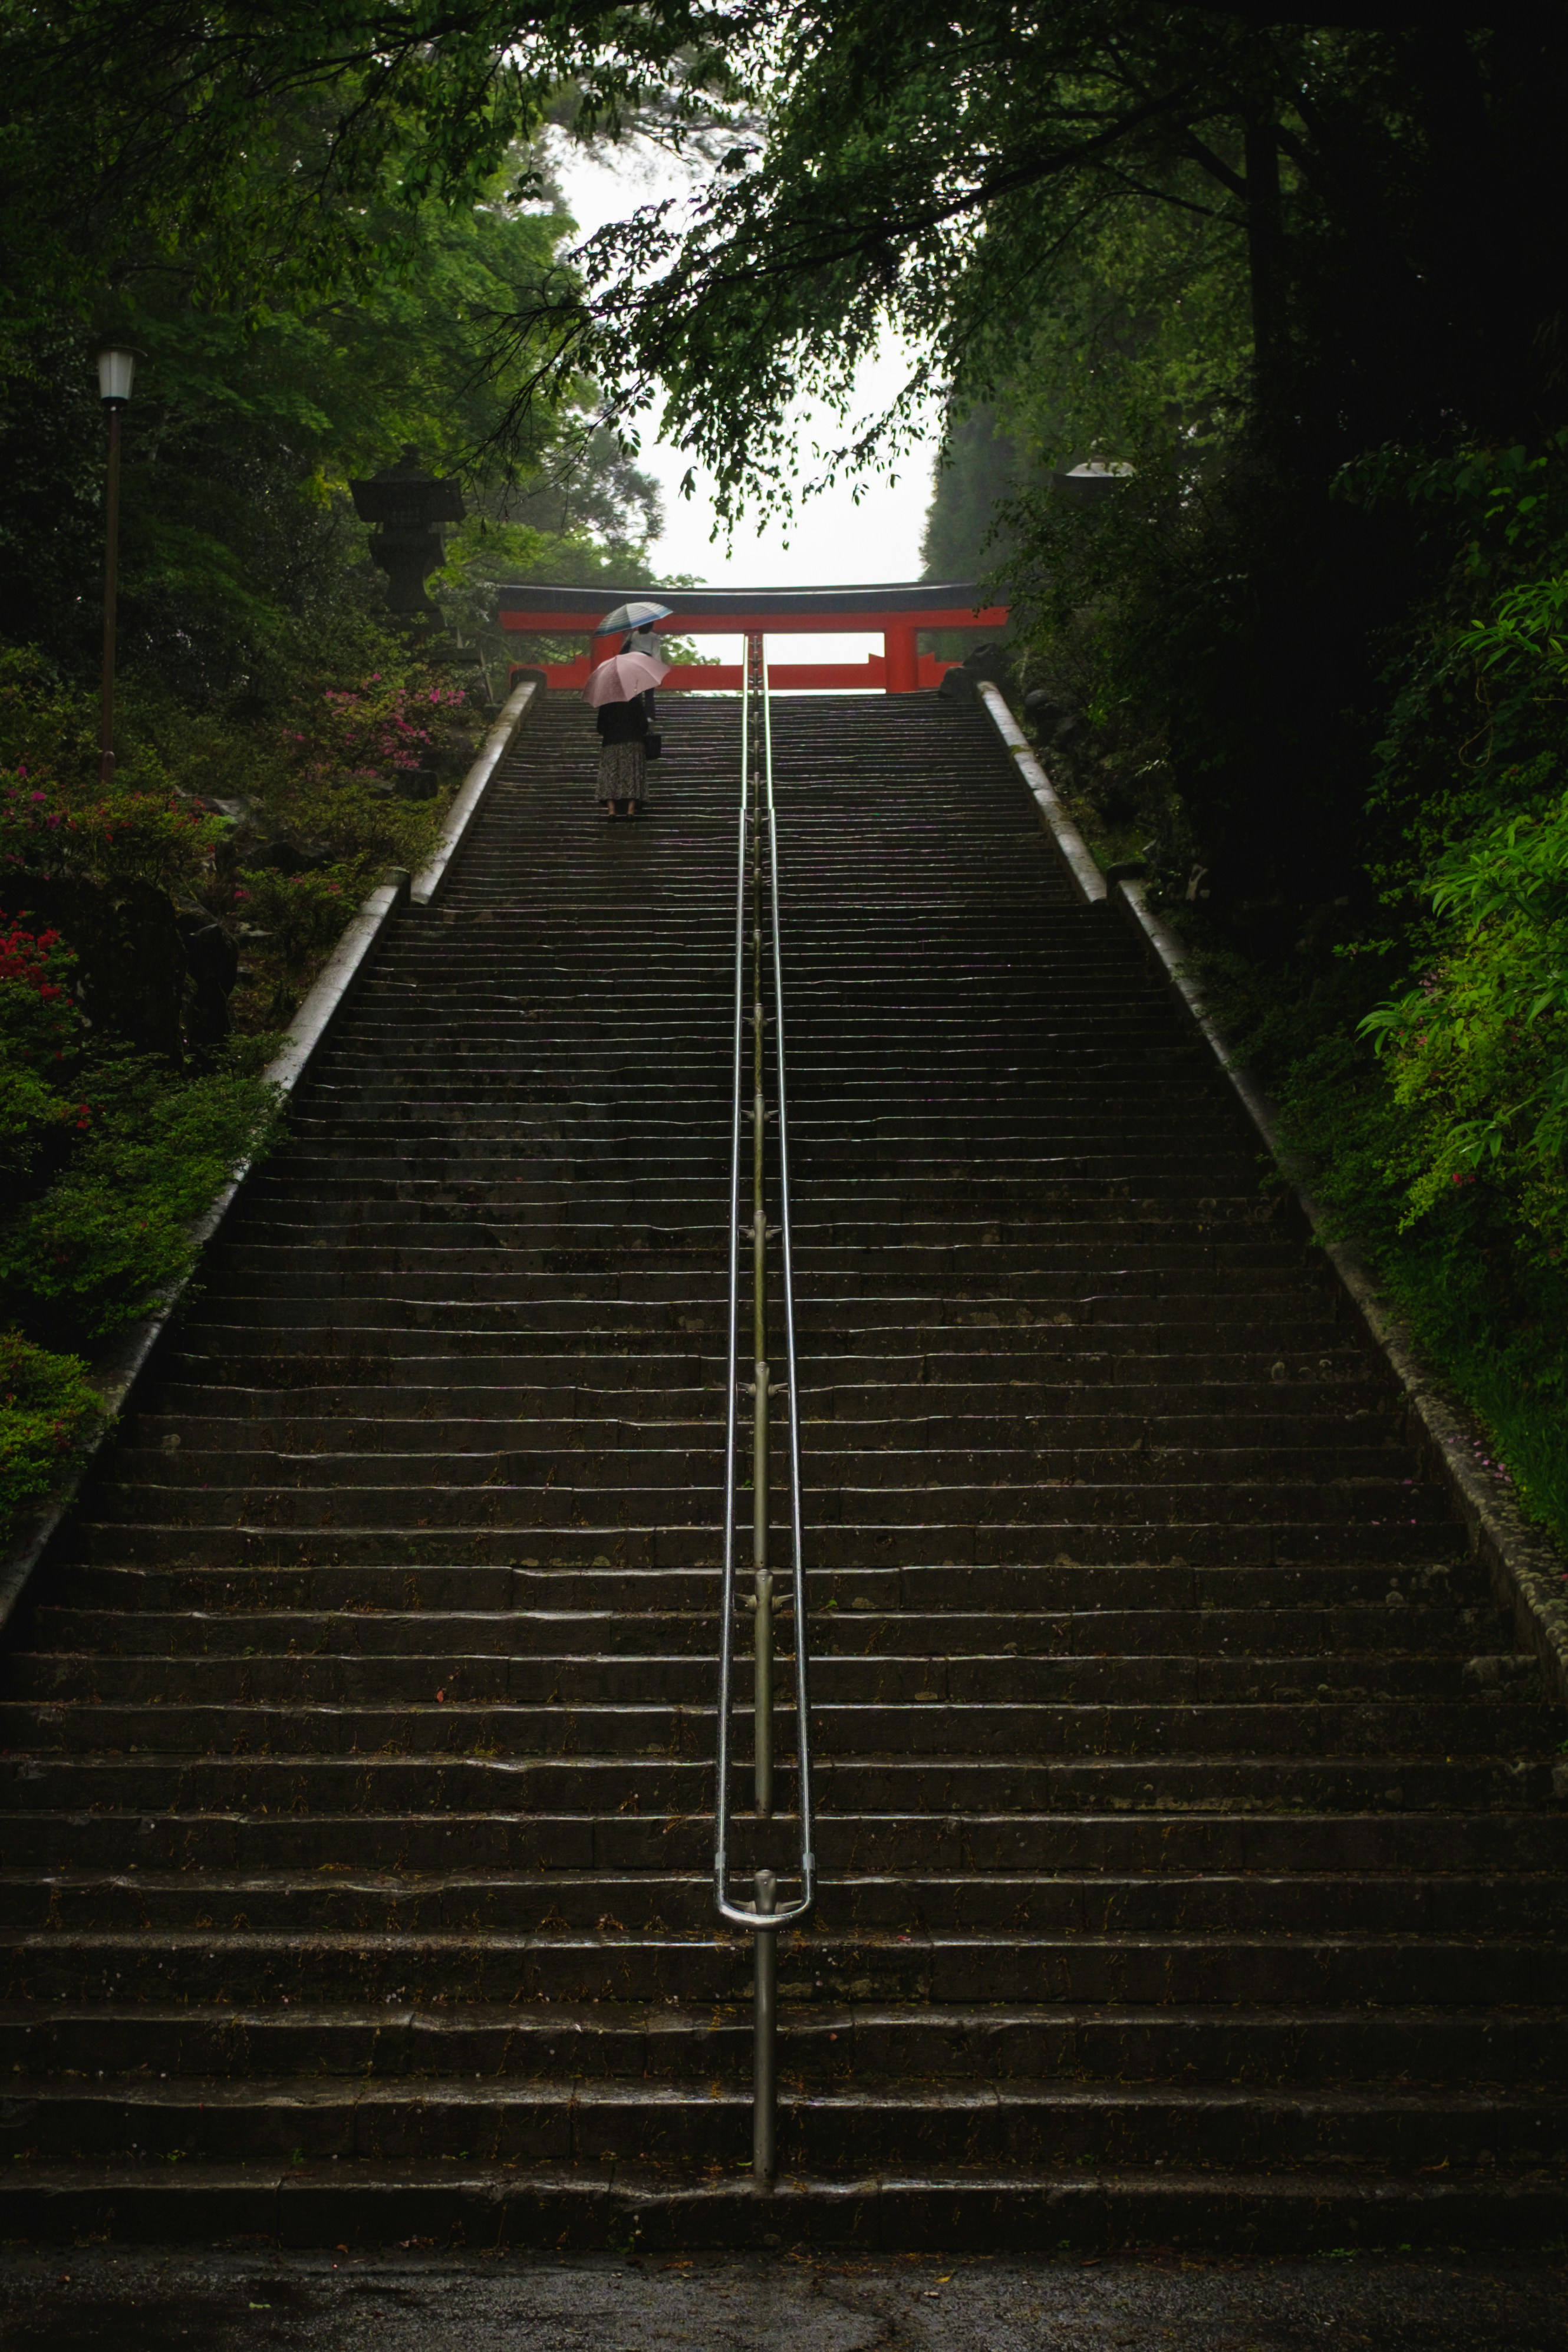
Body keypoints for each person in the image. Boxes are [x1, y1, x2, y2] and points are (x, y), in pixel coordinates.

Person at [595, 630, 659, 819]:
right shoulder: (635, 700)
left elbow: (600, 728)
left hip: (611, 743)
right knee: (633, 774)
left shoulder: (607, 701)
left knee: (610, 776)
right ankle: (631, 810)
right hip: (633, 742)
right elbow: (643, 726)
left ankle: (612, 810)